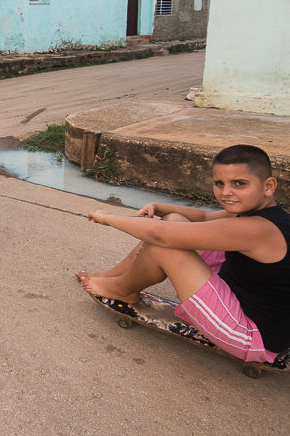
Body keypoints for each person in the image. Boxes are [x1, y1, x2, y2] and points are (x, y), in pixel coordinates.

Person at [79, 144, 290, 363]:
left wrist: (108, 218)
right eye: (219, 183)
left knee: (165, 247)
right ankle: (113, 276)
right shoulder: (260, 215)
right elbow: (204, 218)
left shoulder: (258, 229)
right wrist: (159, 207)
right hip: (242, 296)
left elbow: (162, 236)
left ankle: (122, 290)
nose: (226, 192)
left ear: (268, 186)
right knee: (174, 221)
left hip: (254, 337)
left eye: (239, 184)